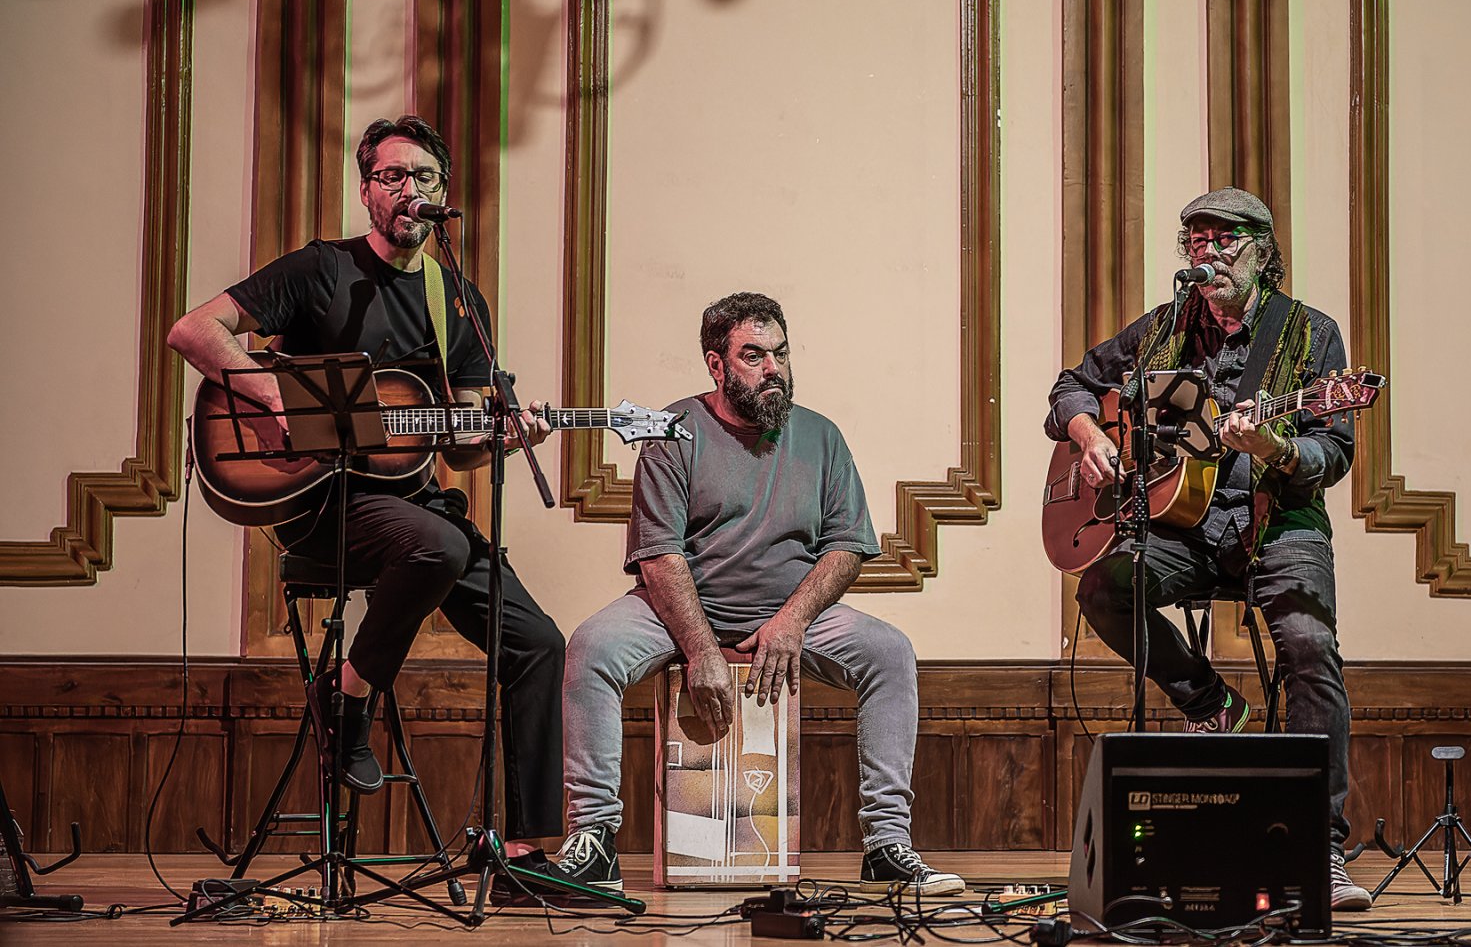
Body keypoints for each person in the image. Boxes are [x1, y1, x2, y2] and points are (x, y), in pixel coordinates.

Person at [167, 115, 564, 864]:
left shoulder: (457, 299)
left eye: (424, 177)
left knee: (539, 644)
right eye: (393, 176)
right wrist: (269, 392)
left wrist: (510, 436)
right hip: (322, 503)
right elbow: (194, 330)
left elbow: (461, 444)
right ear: (367, 191)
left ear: (442, 191)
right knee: (439, 544)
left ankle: (522, 851)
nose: (409, 189)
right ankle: (350, 695)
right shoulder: (322, 269)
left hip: (412, 507)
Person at [544, 292, 964, 896]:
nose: (774, 369)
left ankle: (887, 844)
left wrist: (792, 621)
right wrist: (700, 649)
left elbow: (846, 548)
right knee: (591, 647)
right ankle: (593, 840)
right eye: (754, 356)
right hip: (682, 609)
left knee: (890, 652)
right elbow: (660, 555)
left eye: (781, 354)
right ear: (716, 365)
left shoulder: (822, 436)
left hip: (787, 610)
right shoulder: (672, 430)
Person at [1044, 187, 1372, 911]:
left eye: (1225, 242)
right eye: (1197, 242)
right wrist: (1089, 434)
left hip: (1278, 523)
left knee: (1311, 647)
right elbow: (1073, 385)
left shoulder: (1310, 333)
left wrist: (1276, 447)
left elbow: (1333, 452)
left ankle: (1320, 846)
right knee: (1102, 587)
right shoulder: (1166, 325)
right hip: (1183, 525)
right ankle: (1212, 701)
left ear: (1263, 252)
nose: (1210, 255)